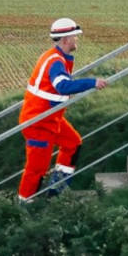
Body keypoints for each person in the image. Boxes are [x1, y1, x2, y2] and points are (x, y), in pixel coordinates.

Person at [17, 17, 107, 200]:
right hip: (38, 123)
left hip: (50, 118)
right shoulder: (56, 62)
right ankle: (24, 208)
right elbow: (63, 86)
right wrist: (92, 83)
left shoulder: (55, 57)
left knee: (72, 143)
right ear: (66, 39)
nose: (77, 40)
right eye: (75, 36)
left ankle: (57, 192)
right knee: (36, 170)